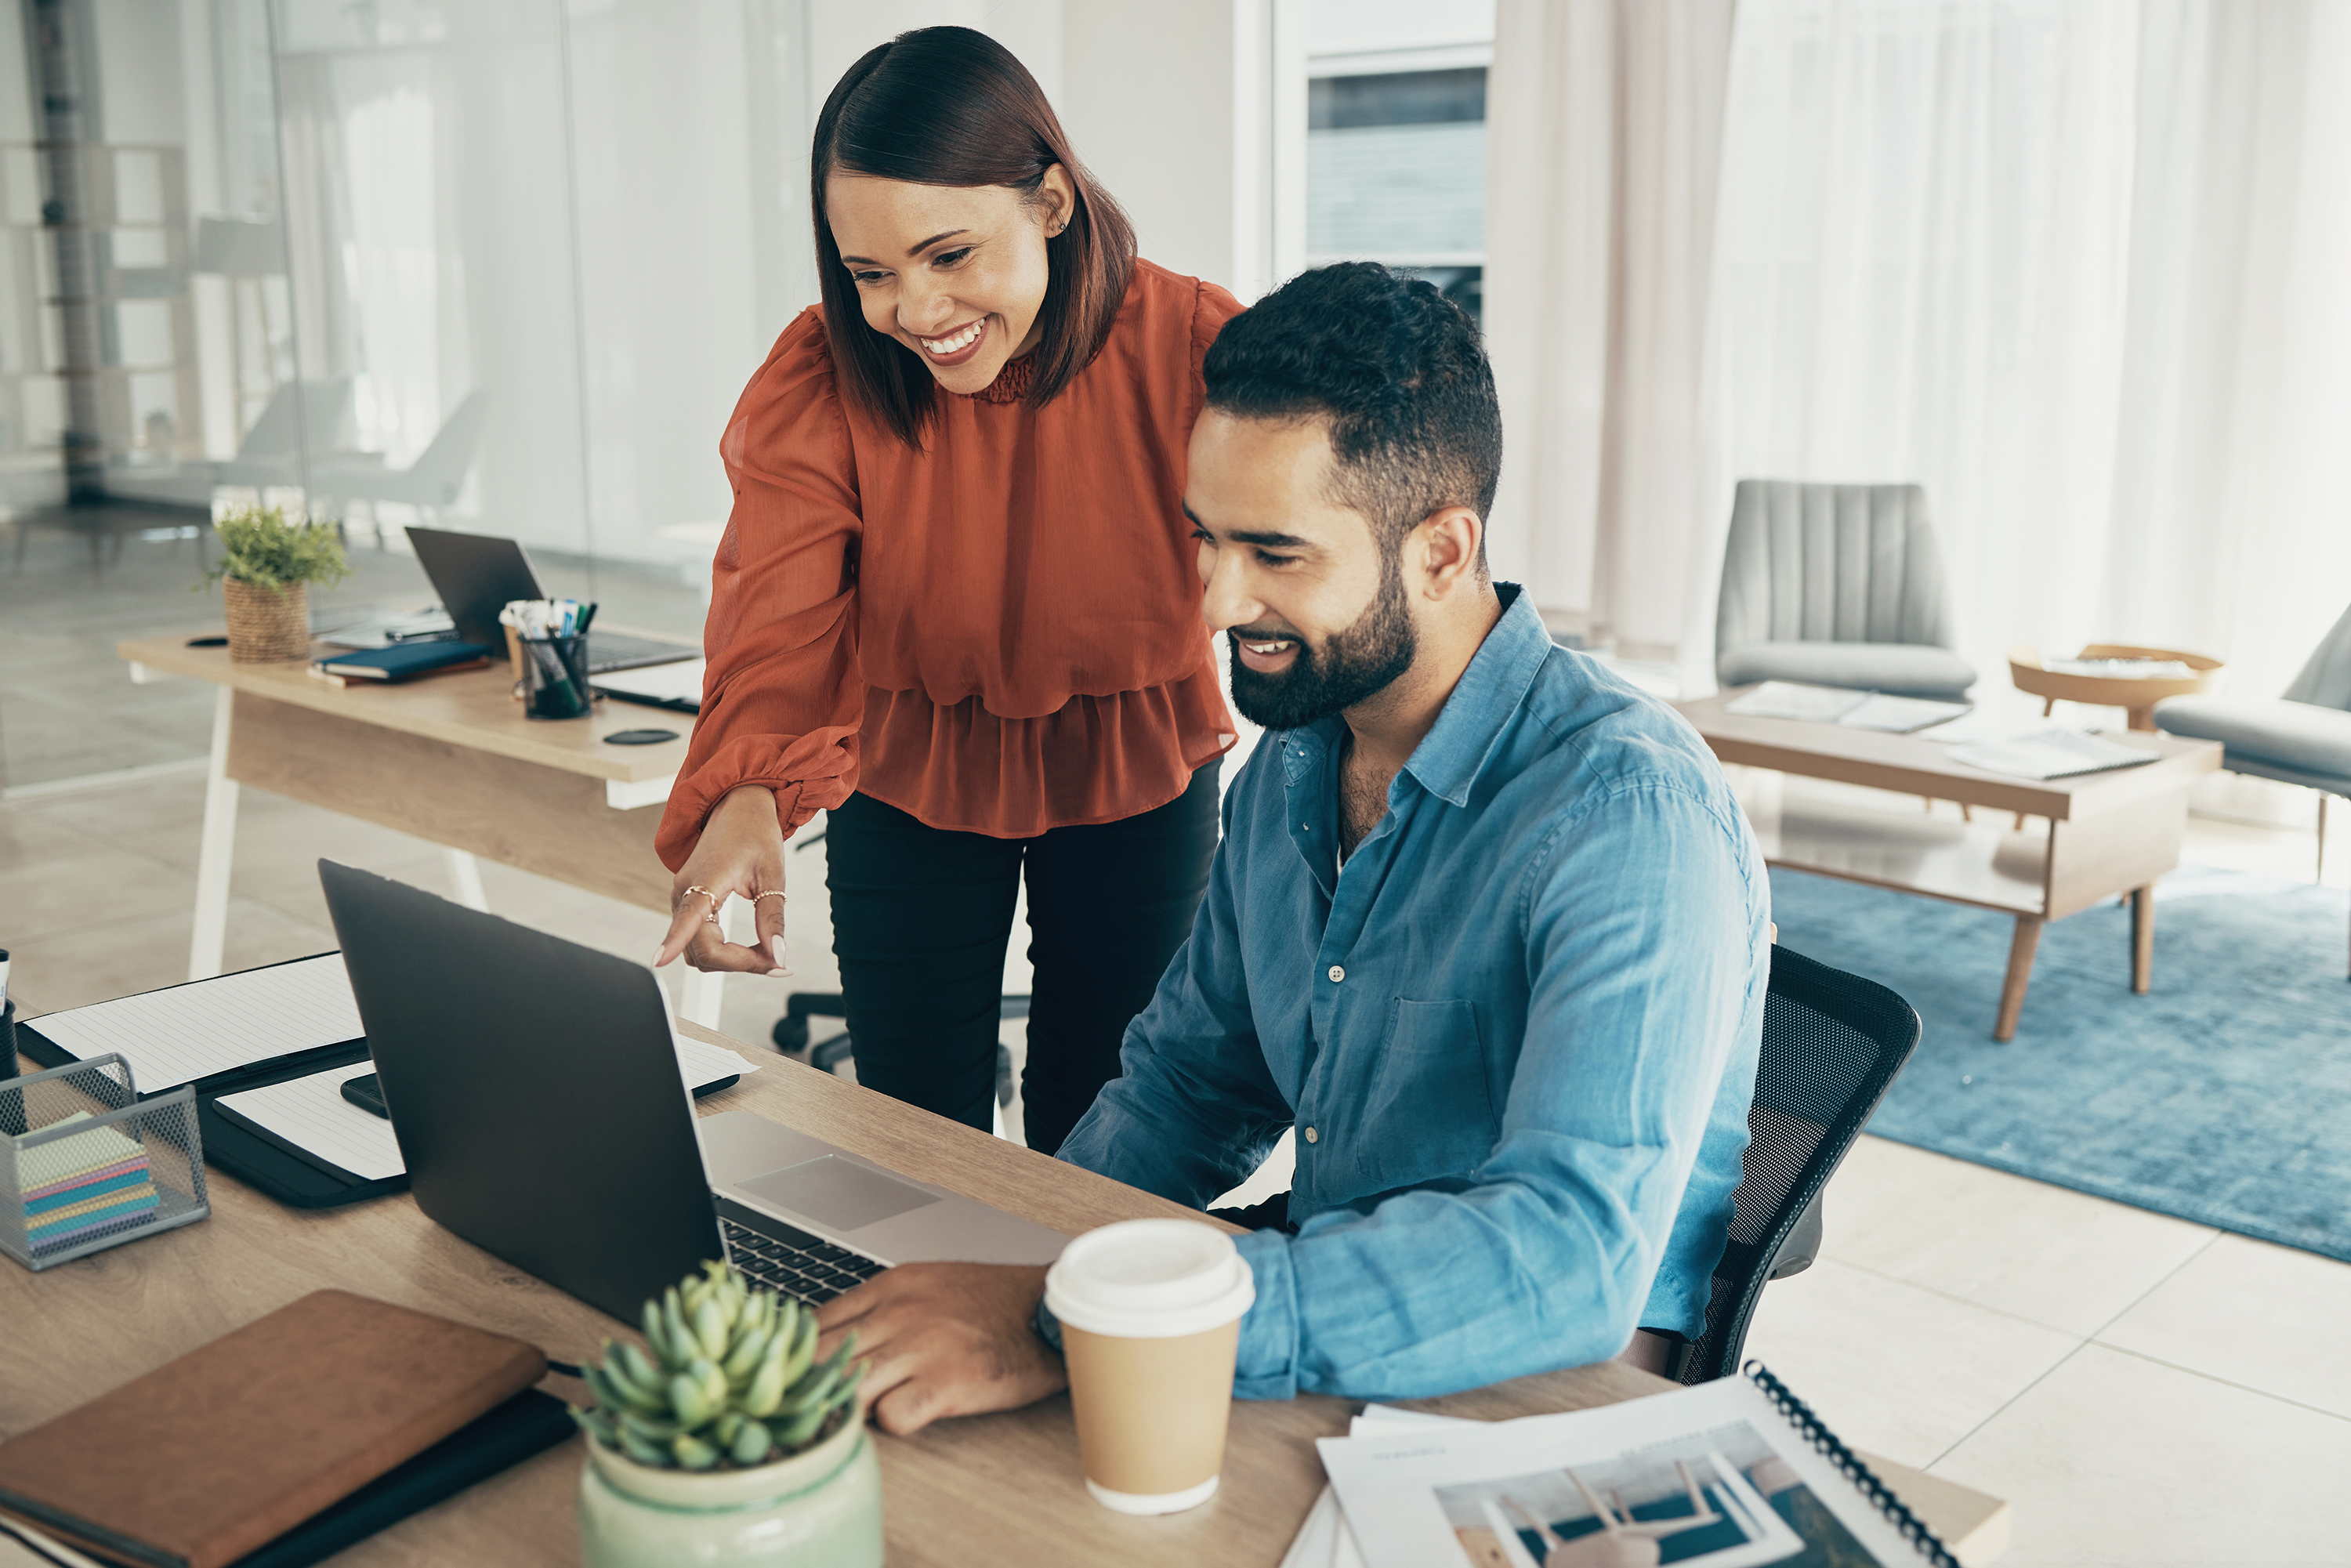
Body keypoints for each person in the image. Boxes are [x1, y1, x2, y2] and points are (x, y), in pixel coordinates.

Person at [812, 263, 1770, 1434]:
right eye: (1204, 540)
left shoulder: (1629, 814)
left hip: (1541, 1405)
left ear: (1440, 550)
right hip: (1329, 1338)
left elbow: (1563, 1258)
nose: (1213, 601)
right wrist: (1009, 1260)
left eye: (1276, 553)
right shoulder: (1296, 760)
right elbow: (1190, 1082)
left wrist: (1065, 1323)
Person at [651, 27, 1243, 1157]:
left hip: (1137, 765)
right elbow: (779, 603)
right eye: (871, 273)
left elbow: (1297, 552)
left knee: (1109, 1138)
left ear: (1054, 204)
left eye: (950, 254)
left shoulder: (1194, 345)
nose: (915, 311)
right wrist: (746, 795)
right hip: (908, 769)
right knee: (916, 1143)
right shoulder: (826, 373)